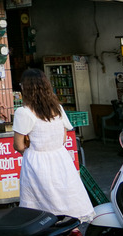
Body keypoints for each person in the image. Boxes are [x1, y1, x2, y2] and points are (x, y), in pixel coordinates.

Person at [12, 68, 94, 224]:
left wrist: (32, 149)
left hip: (37, 162)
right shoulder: (57, 108)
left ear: (25, 88)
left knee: (40, 211)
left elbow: (18, 145)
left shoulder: (23, 112)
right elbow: (63, 137)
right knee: (67, 206)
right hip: (61, 159)